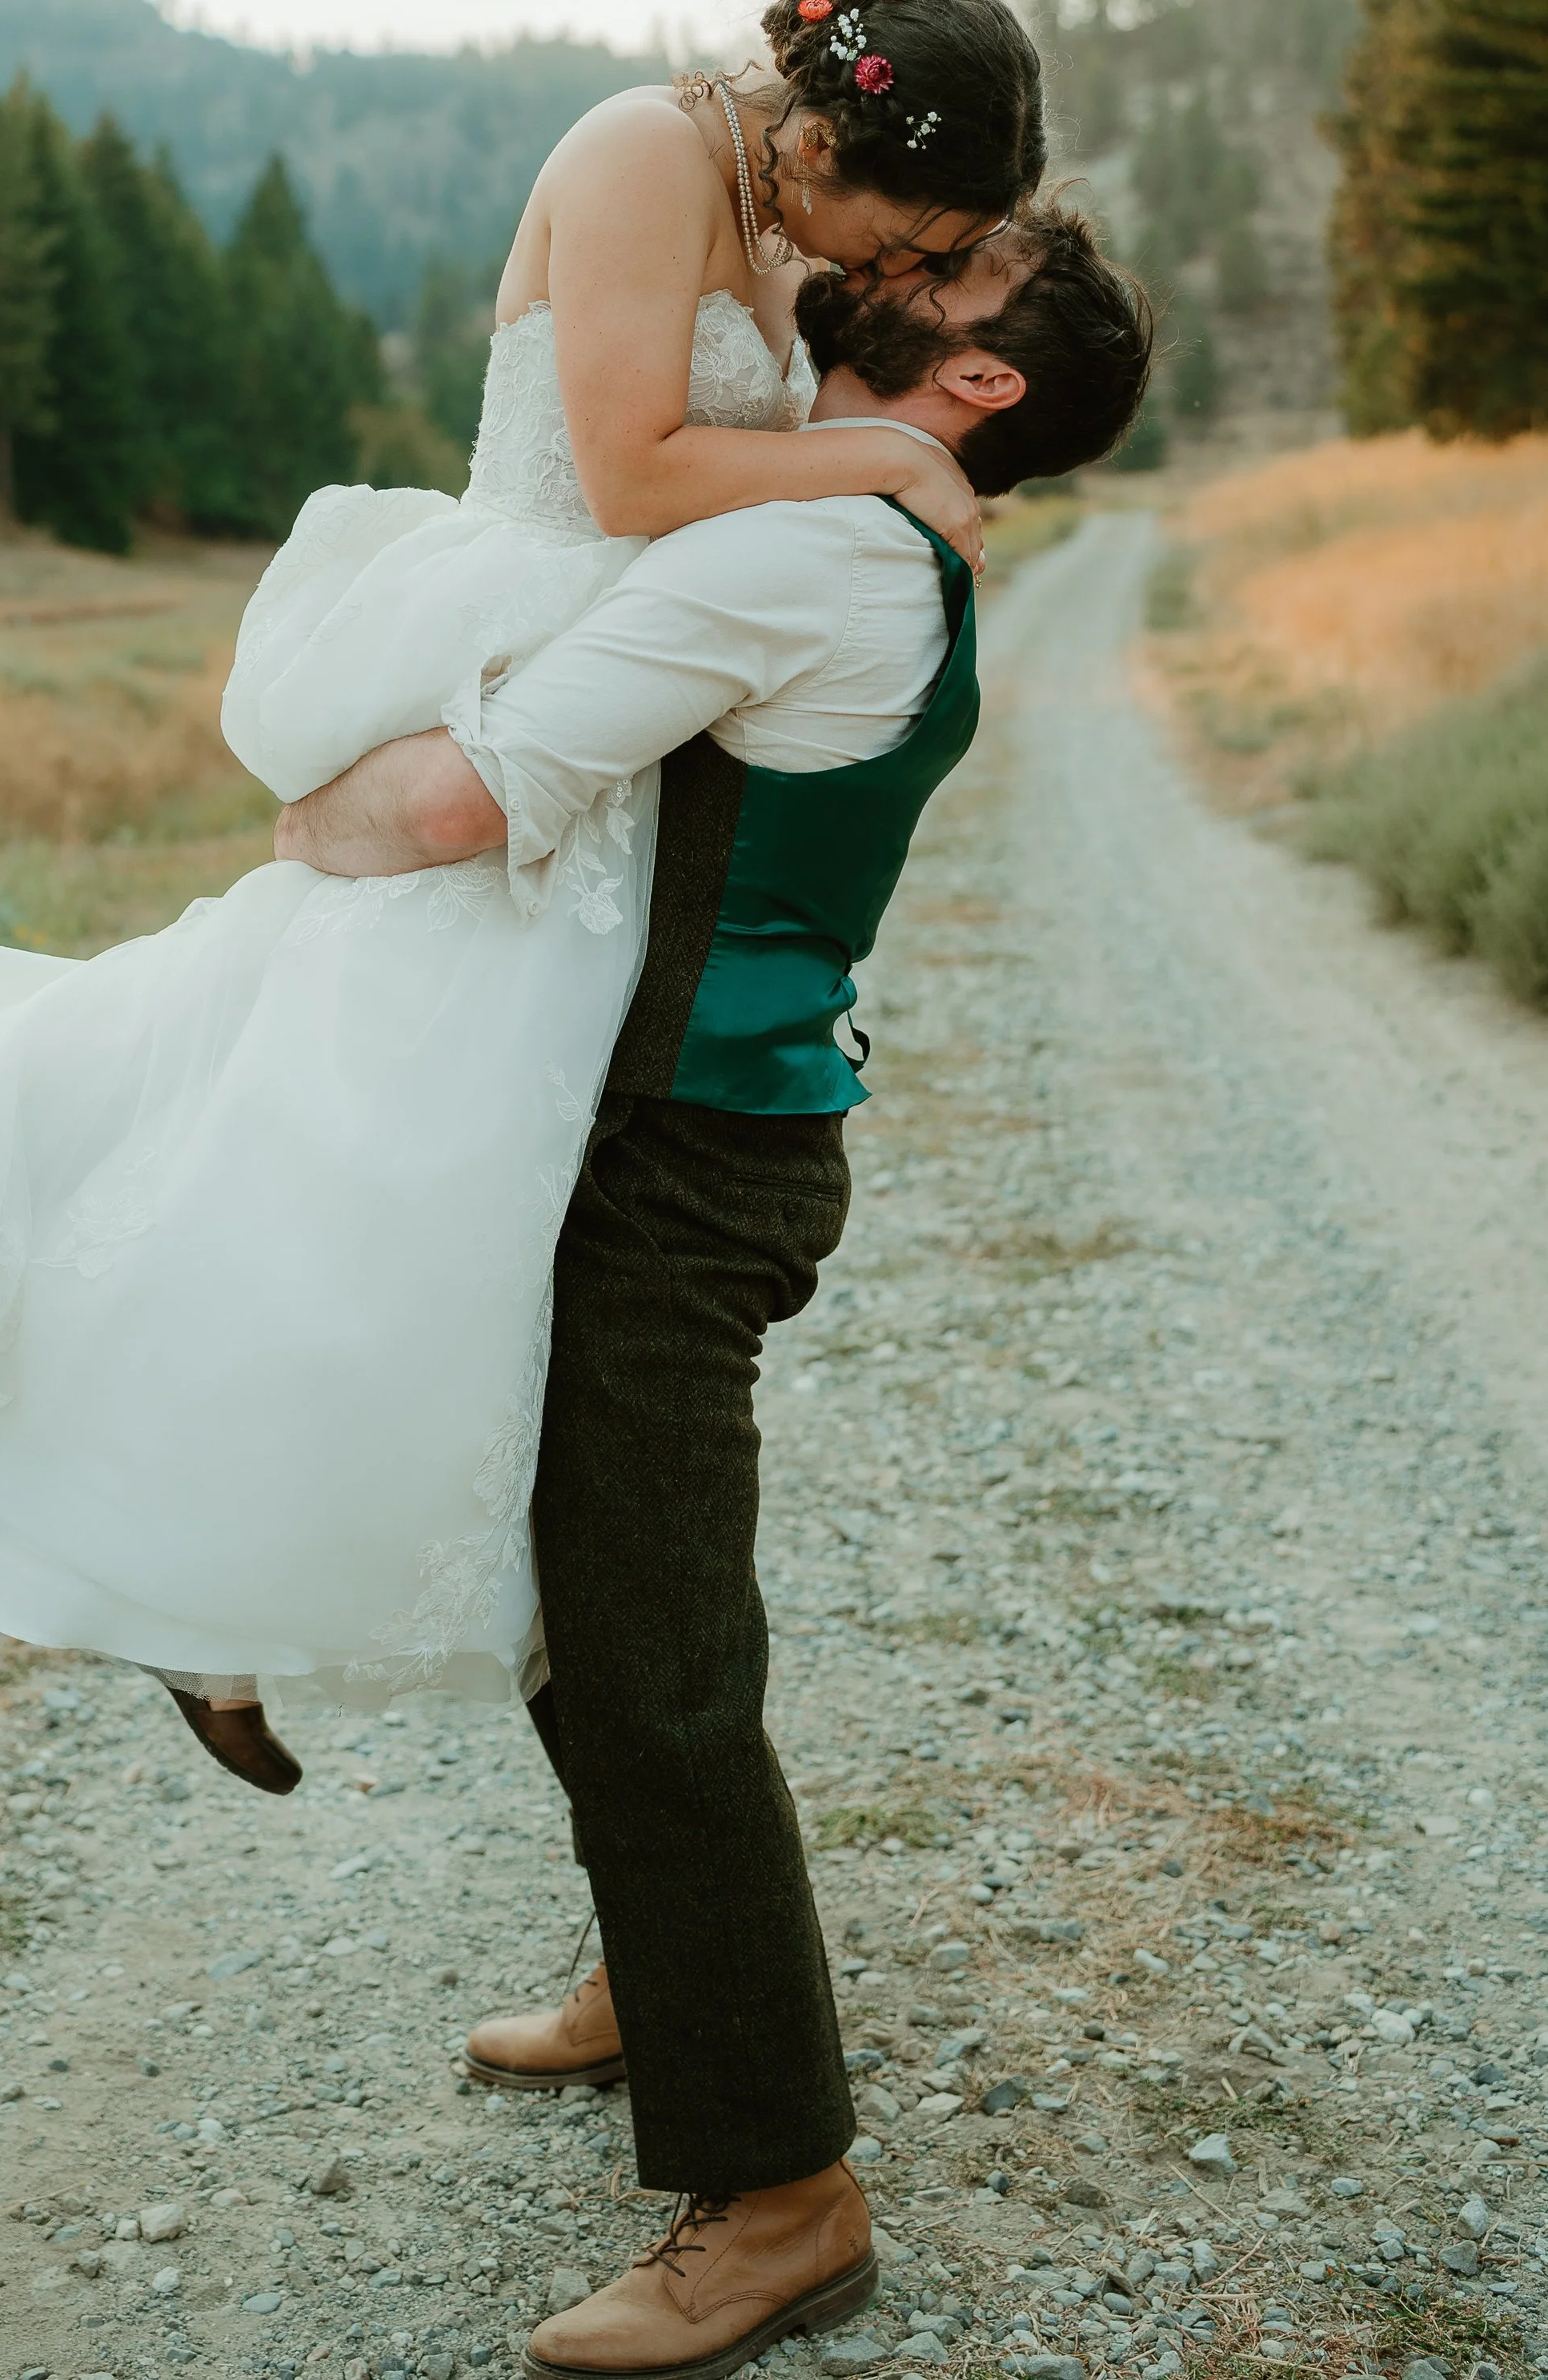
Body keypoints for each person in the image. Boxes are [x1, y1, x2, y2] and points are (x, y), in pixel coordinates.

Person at [0, 0, 1044, 1788]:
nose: (897, 272)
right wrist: (878, 468)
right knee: (330, 1120)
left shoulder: (780, 214)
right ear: (833, 133)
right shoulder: (643, 150)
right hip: (518, 627)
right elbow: (624, 475)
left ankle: (156, 1531)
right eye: (908, 229)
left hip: (600, 703)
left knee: (348, 1127)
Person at [271, 203, 1151, 2380]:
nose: (897, 255)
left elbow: (470, 797)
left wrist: (299, 832)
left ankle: (778, 2192)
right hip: (663, 1126)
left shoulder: (825, 551)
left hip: (682, 1154)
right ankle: (672, 1981)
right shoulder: (867, 518)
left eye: (949, 270)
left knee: (658, 1648)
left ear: (982, 385)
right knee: (586, 1576)